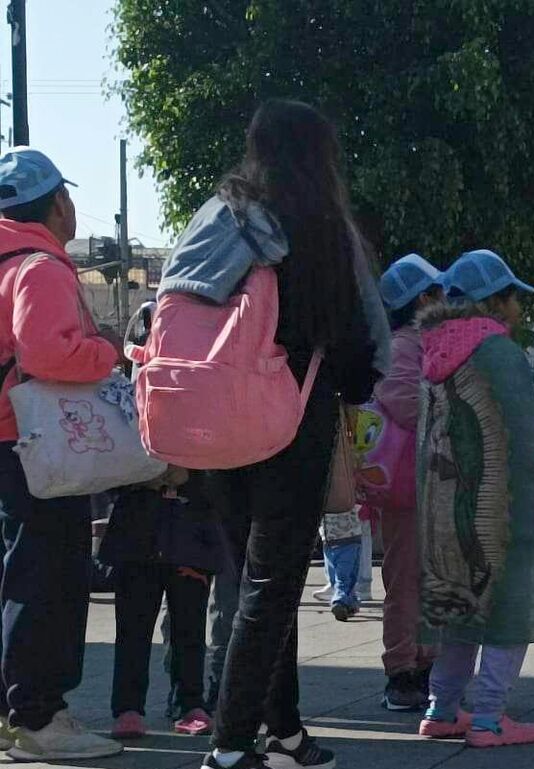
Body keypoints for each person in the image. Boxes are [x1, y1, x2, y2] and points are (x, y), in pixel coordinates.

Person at [162, 100, 389, 769]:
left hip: (213, 415)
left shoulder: (218, 216)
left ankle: (283, 731)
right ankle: (231, 746)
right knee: (273, 582)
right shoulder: (317, 222)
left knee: (256, 578)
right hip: (290, 414)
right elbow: (359, 335)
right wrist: (356, 387)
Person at [0, 146, 127, 761]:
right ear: (56, 203)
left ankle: (17, 714)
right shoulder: (40, 267)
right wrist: (107, 354)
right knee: (47, 577)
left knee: (14, 576)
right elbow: (48, 356)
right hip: (37, 448)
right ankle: (38, 719)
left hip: (5, 442)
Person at [413, 249, 534, 748]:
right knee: (507, 610)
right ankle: (490, 718)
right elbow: (524, 444)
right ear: (494, 303)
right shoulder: (500, 354)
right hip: (501, 507)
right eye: (514, 299)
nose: (519, 311)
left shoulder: (430, 352)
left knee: (459, 606)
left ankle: (441, 708)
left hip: (443, 507)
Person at [100, 476, 222, 740]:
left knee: (189, 627)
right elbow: (106, 469)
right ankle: (128, 707)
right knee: (132, 629)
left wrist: (188, 474)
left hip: (191, 534)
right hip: (136, 533)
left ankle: (190, 703)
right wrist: (144, 475)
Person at [372, 253, 441, 711]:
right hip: (408, 484)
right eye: (437, 292)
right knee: (405, 581)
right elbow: (402, 399)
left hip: (427, 482)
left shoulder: (416, 342)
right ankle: (402, 671)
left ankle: (423, 665)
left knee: (428, 580)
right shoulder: (403, 345)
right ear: (421, 300)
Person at [320, 510, 365, 621]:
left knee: (335, 575)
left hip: (329, 537)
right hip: (350, 534)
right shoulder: (348, 492)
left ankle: (350, 603)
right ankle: (340, 601)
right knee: (348, 576)